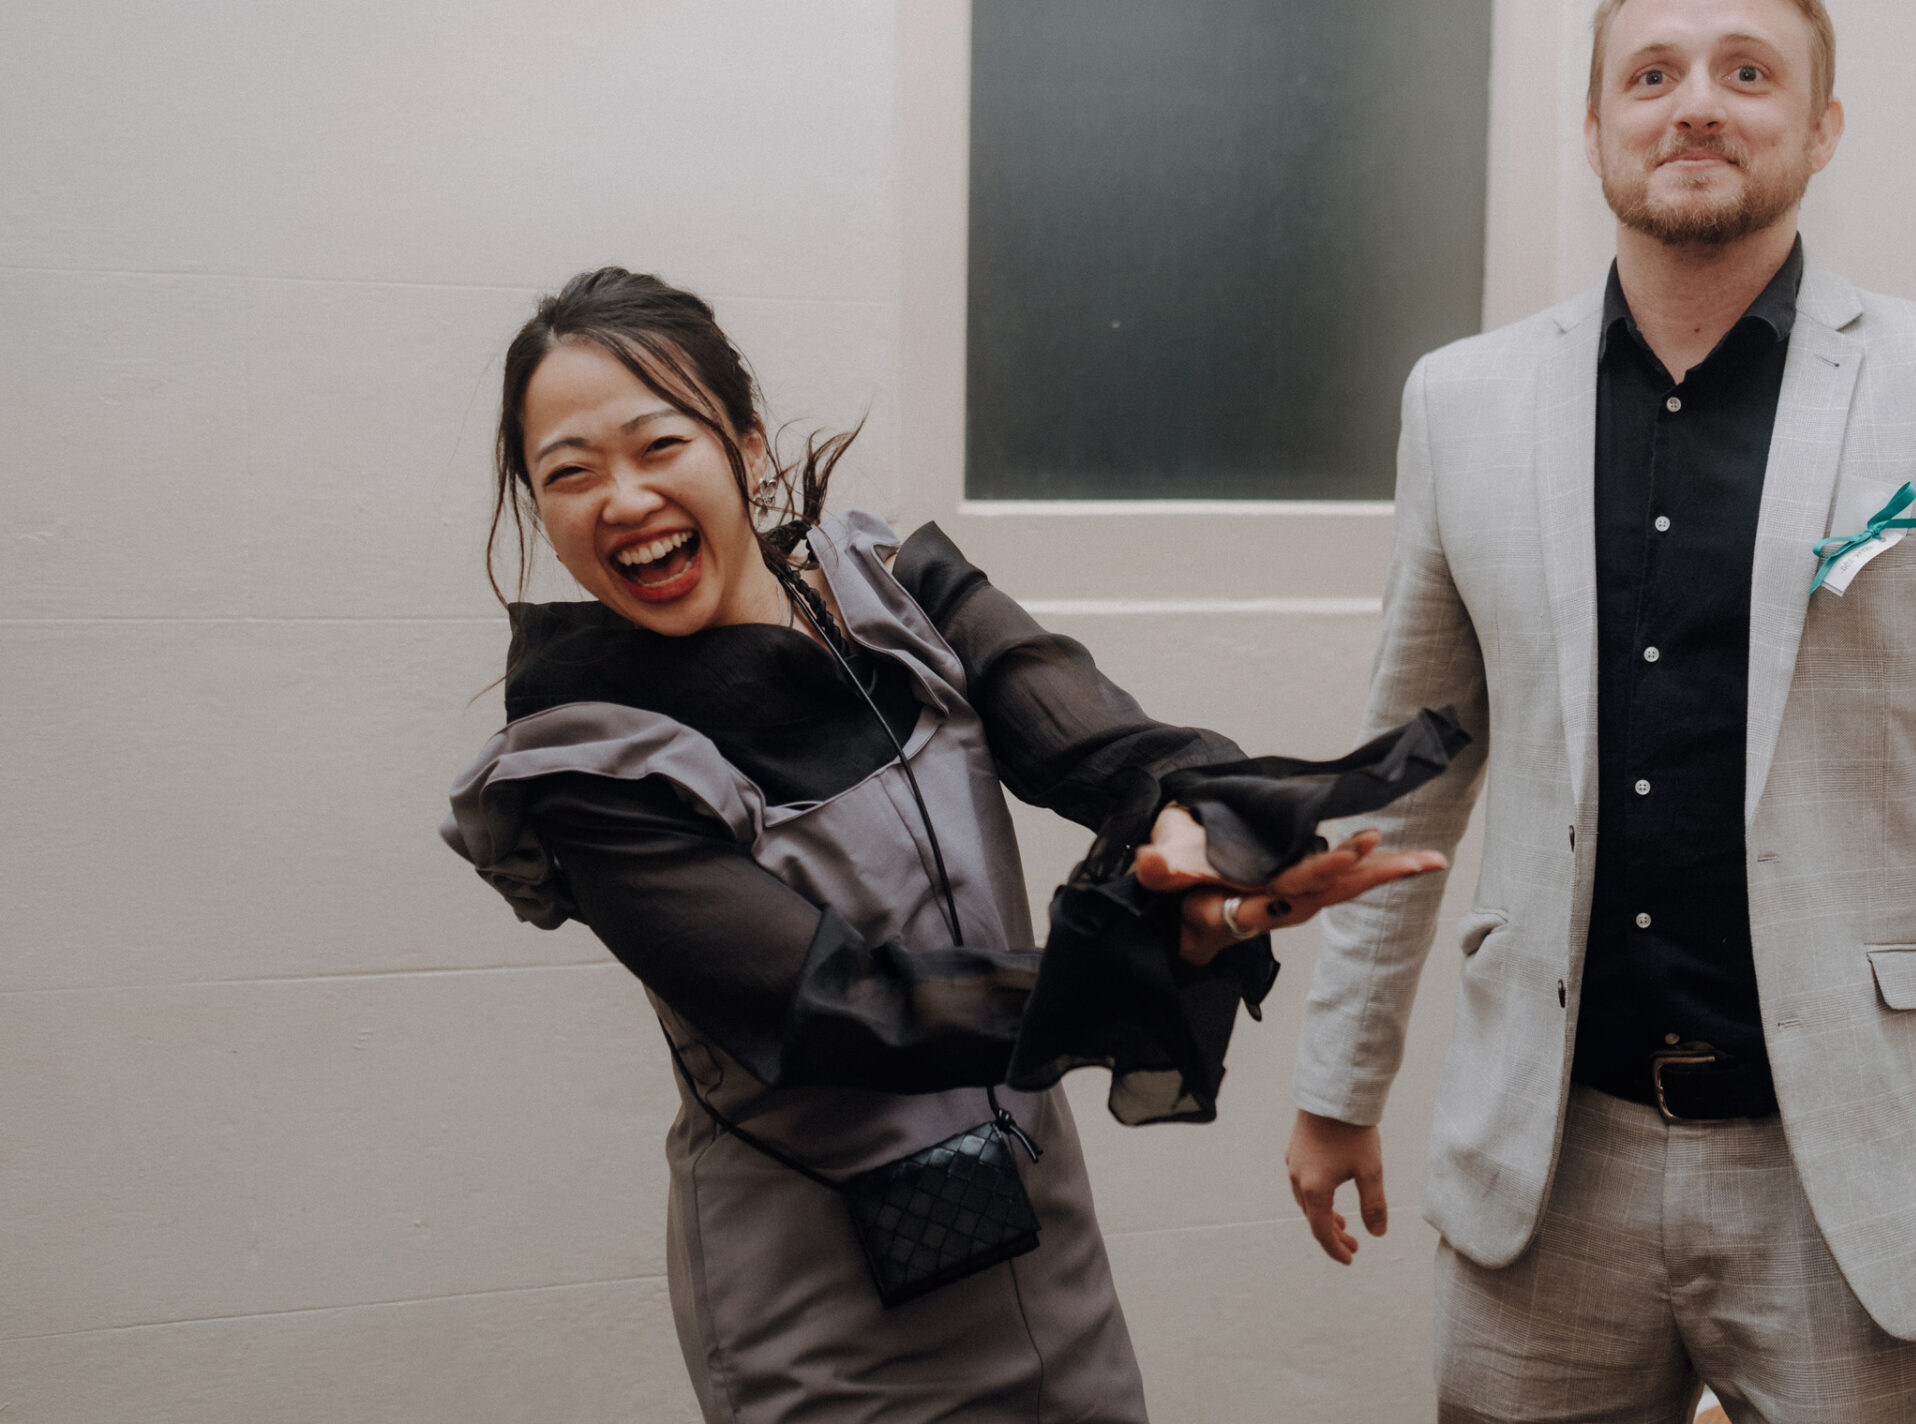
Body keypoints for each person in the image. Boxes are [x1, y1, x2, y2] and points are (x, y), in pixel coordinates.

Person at [1283, 0, 1916, 1423]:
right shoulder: (1461, 404)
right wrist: (1339, 1079)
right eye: (1650, 75)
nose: (1696, 106)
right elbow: (1408, 768)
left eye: (1747, 72)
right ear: (1596, 127)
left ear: (1821, 125)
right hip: (1549, 1163)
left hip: (1860, 1177)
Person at [439, 267, 1459, 1424]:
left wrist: (1194, 829)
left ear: (746, 447)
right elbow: (843, 1006)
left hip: (1041, 1239)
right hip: (823, 1311)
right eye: (568, 473)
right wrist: (1148, 950)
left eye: (656, 444)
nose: (621, 498)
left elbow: (1102, 741)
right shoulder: (582, 761)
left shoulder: (889, 589)